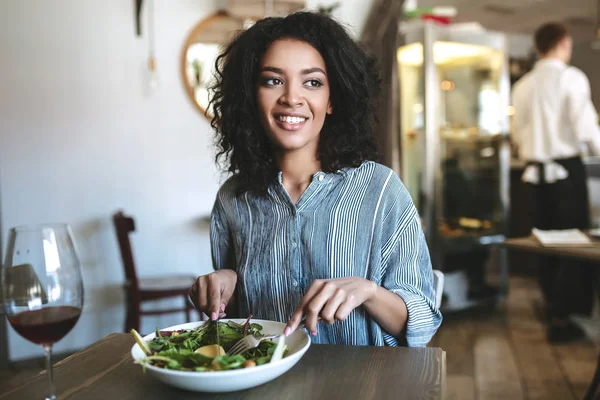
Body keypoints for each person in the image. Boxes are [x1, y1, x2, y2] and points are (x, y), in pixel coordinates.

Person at [188, 11, 442, 347]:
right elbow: (237, 326)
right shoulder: (233, 199)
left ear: (332, 99)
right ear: (251, 97)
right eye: (272, 80)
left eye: (312, 82)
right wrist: (225, 284)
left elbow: (423, 324)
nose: (292, 97)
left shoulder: (381, 190)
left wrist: (368, 292)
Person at [512, 22, 600, 342]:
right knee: (572, 245)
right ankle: (565, 318)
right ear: (564, 43)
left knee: (546, 243)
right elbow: (586, 130)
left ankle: (554, 308)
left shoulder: (522, 86)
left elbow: (517, 135)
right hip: (566, 173)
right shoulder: (571, 78)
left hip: (535, 176)